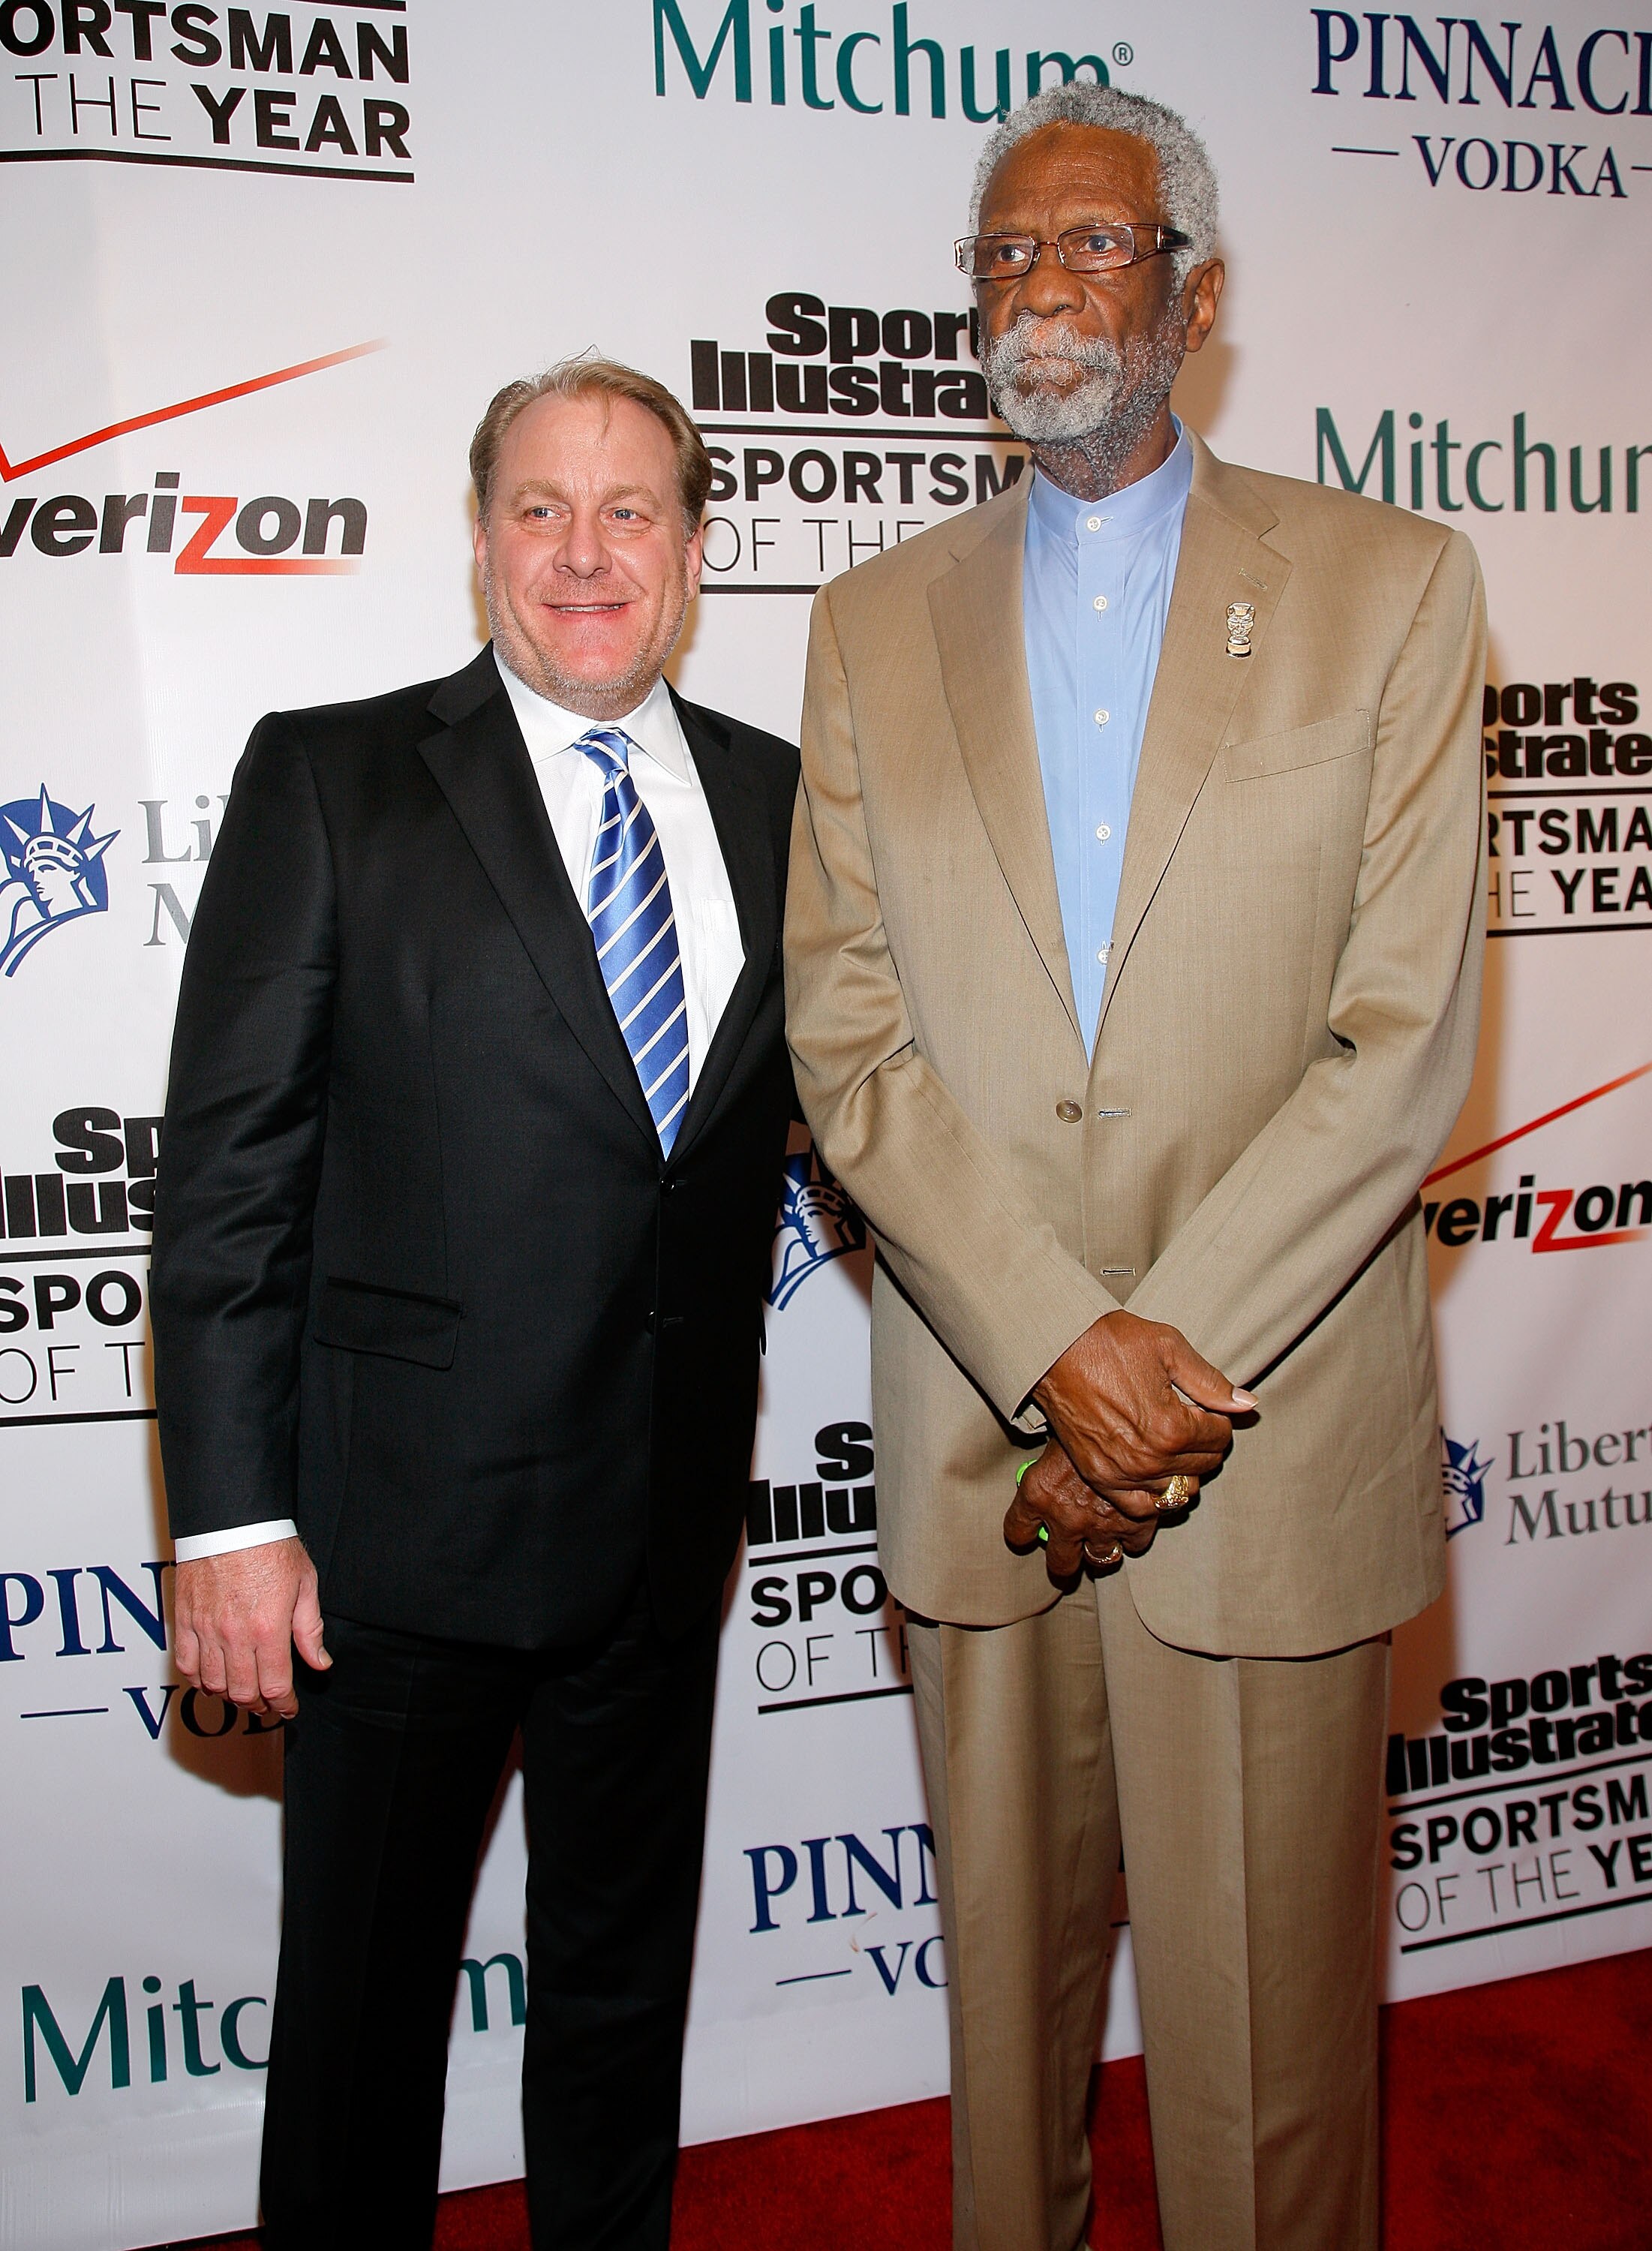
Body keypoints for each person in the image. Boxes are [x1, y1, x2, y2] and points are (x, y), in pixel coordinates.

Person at [785, 81, 1485, 2251]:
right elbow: (846, 1029)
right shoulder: (866, 624)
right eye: (1002, 254)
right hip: (981, 1440)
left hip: (1257, 1449)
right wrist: (1050, 1342)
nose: (1037, 292)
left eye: (1086, 246)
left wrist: (1144, 1363)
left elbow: (1399, 1045)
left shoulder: (1390, 588)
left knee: (1270, 2092)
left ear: (1194, 296)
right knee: (1003, 2091)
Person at [150, 357, 799, 2251]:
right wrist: (234, 1519)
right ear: (481, 541)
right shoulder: (334, 773)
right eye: (540, 508)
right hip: (389, 1547)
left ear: (692, 550)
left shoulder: (784, 797)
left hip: (665, 1534)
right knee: (362, 2034)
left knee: (620, 2006)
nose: (584, 555)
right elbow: (229, 1180)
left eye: (630, 512)